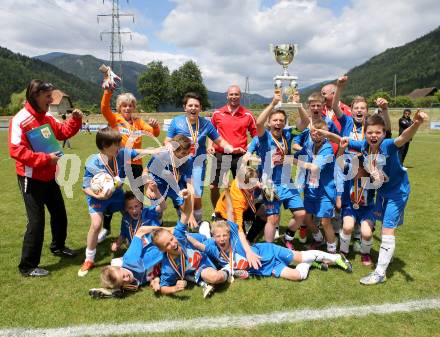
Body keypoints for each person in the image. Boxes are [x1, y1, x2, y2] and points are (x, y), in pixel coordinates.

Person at [8, 80, 82, 277]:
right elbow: (16, 150)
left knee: (59, 213)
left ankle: (58, 246)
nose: (51, 100)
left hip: (50, 175)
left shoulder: (47, 117)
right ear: (36, 95)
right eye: (48, 96)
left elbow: (62, 132)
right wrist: (44, 159)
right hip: (30, 177)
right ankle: (28, 266)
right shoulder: (19, 120)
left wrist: (74, 120)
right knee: (36, 221)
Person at [344, 110, 427, 285]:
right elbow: (343, 140)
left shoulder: (389, 144)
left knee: (387, 230)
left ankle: (380, 273)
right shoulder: (362, 146)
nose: (373, 135)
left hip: (397, 192)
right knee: (373, 226)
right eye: (370, 132)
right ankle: (364, 244)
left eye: (378, 132)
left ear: (384, 133)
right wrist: (332, 137)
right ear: (365, 132)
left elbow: (403, 137)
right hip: (381, 193)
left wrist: (417, 123)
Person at [78, 127, 156, 277]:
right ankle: (89, 259)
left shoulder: (120, 154)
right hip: (98, 197)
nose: (120, 147)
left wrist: (158, 150)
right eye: (117, 144)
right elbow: (85, 187)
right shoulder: (92, 163)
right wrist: (99, 196)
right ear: (105, 146)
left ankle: (142, 244)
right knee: (96, 224)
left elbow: (139, 152)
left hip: (117, 194)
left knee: (136, 212)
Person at [99, 70, 161, 242]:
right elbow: (104, 108)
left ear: (134, 107)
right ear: (119, 108)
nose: (127, 108)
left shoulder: (139, 122)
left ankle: (138, 224)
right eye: (124, 105)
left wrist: (155, 127)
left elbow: (154, 133)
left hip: (135, 164)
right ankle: (106, 226)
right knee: (110, 193)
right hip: (118, 163)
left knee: (137, 196)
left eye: (130, 105)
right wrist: (107, 92)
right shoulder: (115, 120)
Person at [187, 219, 352, 282]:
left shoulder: (237, 241)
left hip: (270, 251)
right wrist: (182, 234)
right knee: (297, 276)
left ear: (229, 235)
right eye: (218, 236)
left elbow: (237, 227)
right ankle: (310, 264)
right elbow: (196, 243)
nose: (222, 238)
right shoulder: (212, 249)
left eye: (225, 235)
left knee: (299, 256)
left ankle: (336, 257)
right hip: (267, 268)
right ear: (213, 237)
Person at [164, 92, 243, 225]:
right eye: (190, 105)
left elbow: (219, 141)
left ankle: (198, 223)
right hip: (178, 164)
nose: (193, 108)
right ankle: (183, 221)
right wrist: (170, 148)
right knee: (180, 194)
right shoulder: (176, 122)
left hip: (197, 164)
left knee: (196, 193)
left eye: (196, 105)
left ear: (200, 108)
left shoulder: (206, 124)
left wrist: (231, 148)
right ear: (185, 107)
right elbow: (167, 141)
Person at [255, 92, 316, 247]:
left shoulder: (288, 134)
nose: (278, 123)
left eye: (281, 120)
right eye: (275, 120)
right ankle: (269, 249)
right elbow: (258, 123)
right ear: (269, 122)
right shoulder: (264, 137)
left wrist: (298, 105)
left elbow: (305, 121)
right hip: (270, 184)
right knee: (273, 219)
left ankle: (287, 238)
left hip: (287, 182)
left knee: (300, 214)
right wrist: (272, 104)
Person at [152, 189, 230, 298]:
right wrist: (174, 288)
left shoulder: (178, 236)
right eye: (167, 244)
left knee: (223, 242)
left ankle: (205, 229)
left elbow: (185, 214)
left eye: (171, 239)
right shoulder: (168, 266)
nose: (173, 244)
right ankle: (229, 271)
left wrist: (188, 198)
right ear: (162, 250)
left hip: (203, 243)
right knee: (215, 278)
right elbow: (163, 287)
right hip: (202, 263)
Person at [208, 85, 257, 211]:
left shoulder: (248, 114)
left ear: (240, 96)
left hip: (240, 156)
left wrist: (249, 149)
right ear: (227, 95)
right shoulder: (217, 113)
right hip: (220, 154)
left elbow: (256, 136)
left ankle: (245, 215)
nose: (234, 97)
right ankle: (217, 212)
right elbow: (210, 132)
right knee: (214, 186)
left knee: (245, 186)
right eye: (231, 94)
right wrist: (210, 145)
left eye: (236, 94)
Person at [294, 120, 337, 253]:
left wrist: (291, 160)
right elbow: (297, 155)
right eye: (314, 133)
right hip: (310, 188)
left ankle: (332, 251)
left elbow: (315, 167)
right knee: (306, 218)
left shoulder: (328, 148)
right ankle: (319, 239)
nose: (316, 136)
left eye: (320, 133)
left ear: (325, 134)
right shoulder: (308, 144)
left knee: (325, 222)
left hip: (325, 190)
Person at [93, 225, 164, 297]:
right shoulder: (132, 282)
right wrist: (155, 280)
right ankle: (110, 291)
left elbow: (140, 231)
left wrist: (168, 230)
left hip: (165, 241)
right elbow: (152, 272)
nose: (127, 279)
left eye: (124, 276)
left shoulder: (131, 260)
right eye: (123, 282)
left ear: (120, 267)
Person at [145, 135, 194, 223]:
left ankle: (183, 226)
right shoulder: (160, 156)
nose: (186, 155)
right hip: (158, 185)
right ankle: (157, 223)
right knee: (155, 212)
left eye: (188, 152)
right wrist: (148, 187)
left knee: (184, 203)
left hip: (176, 185)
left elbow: (190, 183)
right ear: (174, 151)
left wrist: (190, 209)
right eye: (183, 153)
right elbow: (146, 171)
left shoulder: (188, 160)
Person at [214, 167, 266, 243]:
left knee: (265, 210)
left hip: (244, 207)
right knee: (239, 241)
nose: (252, 188)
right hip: (226, 215)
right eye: (249, 186)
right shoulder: (237, 198)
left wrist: (259, 184)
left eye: (253, 184)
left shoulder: (242, 179)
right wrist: (243, 240)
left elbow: (251, 180)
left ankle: (250, 239)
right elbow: (238, 224)